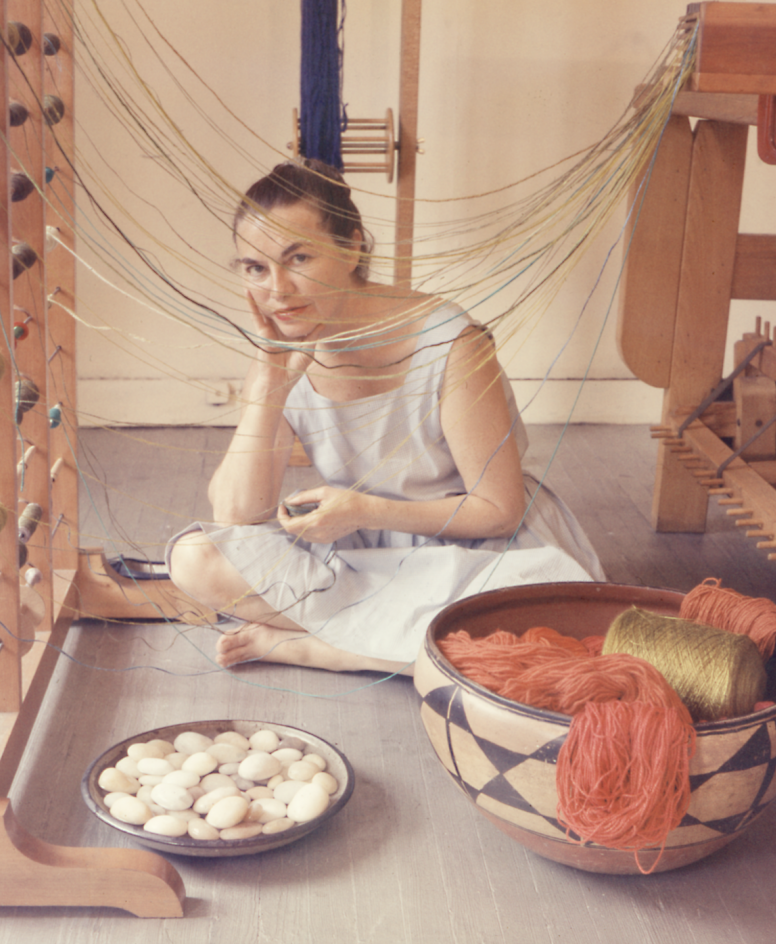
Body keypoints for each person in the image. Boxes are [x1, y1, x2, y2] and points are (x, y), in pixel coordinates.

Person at [166, 159, 603, 675]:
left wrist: (363, 511)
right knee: (194, 558)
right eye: (255, 269)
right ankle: (415, 646)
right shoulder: (282, 345)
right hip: (364, 554)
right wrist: (268, 387)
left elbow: (498, 510)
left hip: (482, 552)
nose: (277, 290)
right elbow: (237, 515)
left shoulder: (451, 342)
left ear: (352, 247)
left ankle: (313, 646)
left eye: (298, 258)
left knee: (535, 636)